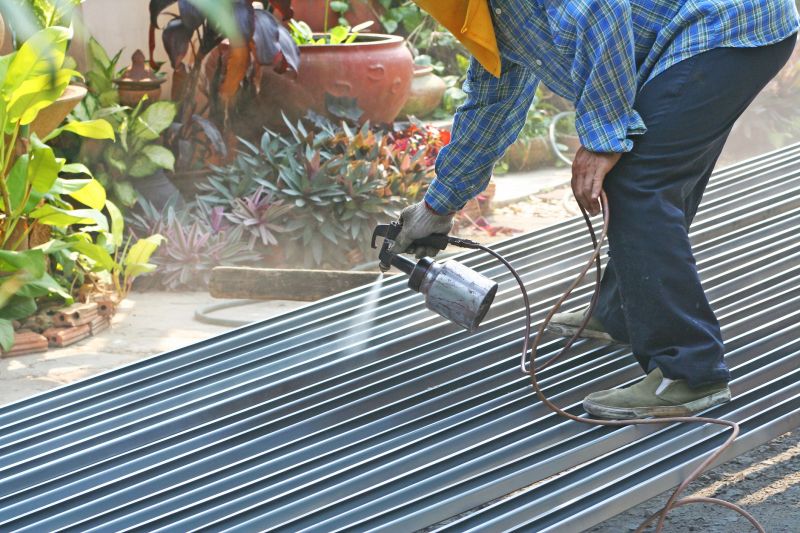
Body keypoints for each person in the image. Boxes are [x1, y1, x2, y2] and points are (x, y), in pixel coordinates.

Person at [392, 0, 799, 418]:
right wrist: (438, 205)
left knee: (635, 182)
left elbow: (601, 10)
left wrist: (603, 135)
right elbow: (492, 101)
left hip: (726, 25)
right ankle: (620, 313)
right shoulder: (488, 11)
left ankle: (690, 373)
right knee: (653, 174)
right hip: (721, 27)